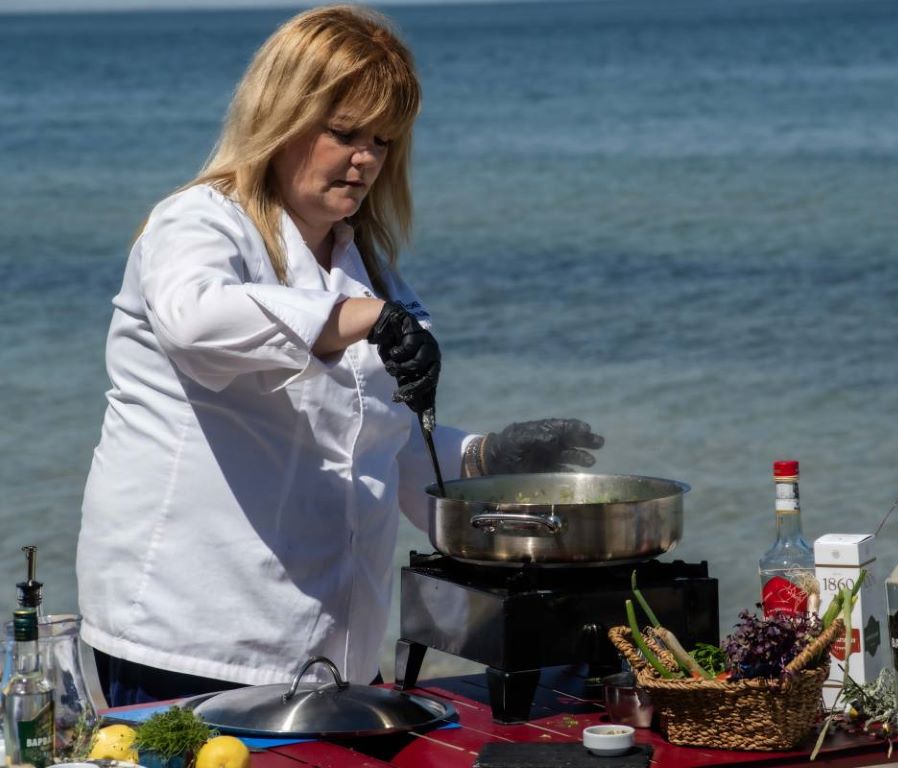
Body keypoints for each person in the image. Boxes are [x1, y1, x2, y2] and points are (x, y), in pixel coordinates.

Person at [76, 4, 603, 707]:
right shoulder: (199, 220)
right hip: (191, 631)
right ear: (280, 117)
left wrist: (484, 458)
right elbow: (193, 321)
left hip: (336, 639)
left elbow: (372, 440)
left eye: (382, 140)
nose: (366, 160)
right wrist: (358, 318)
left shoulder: (367, 265)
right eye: (345, 133)